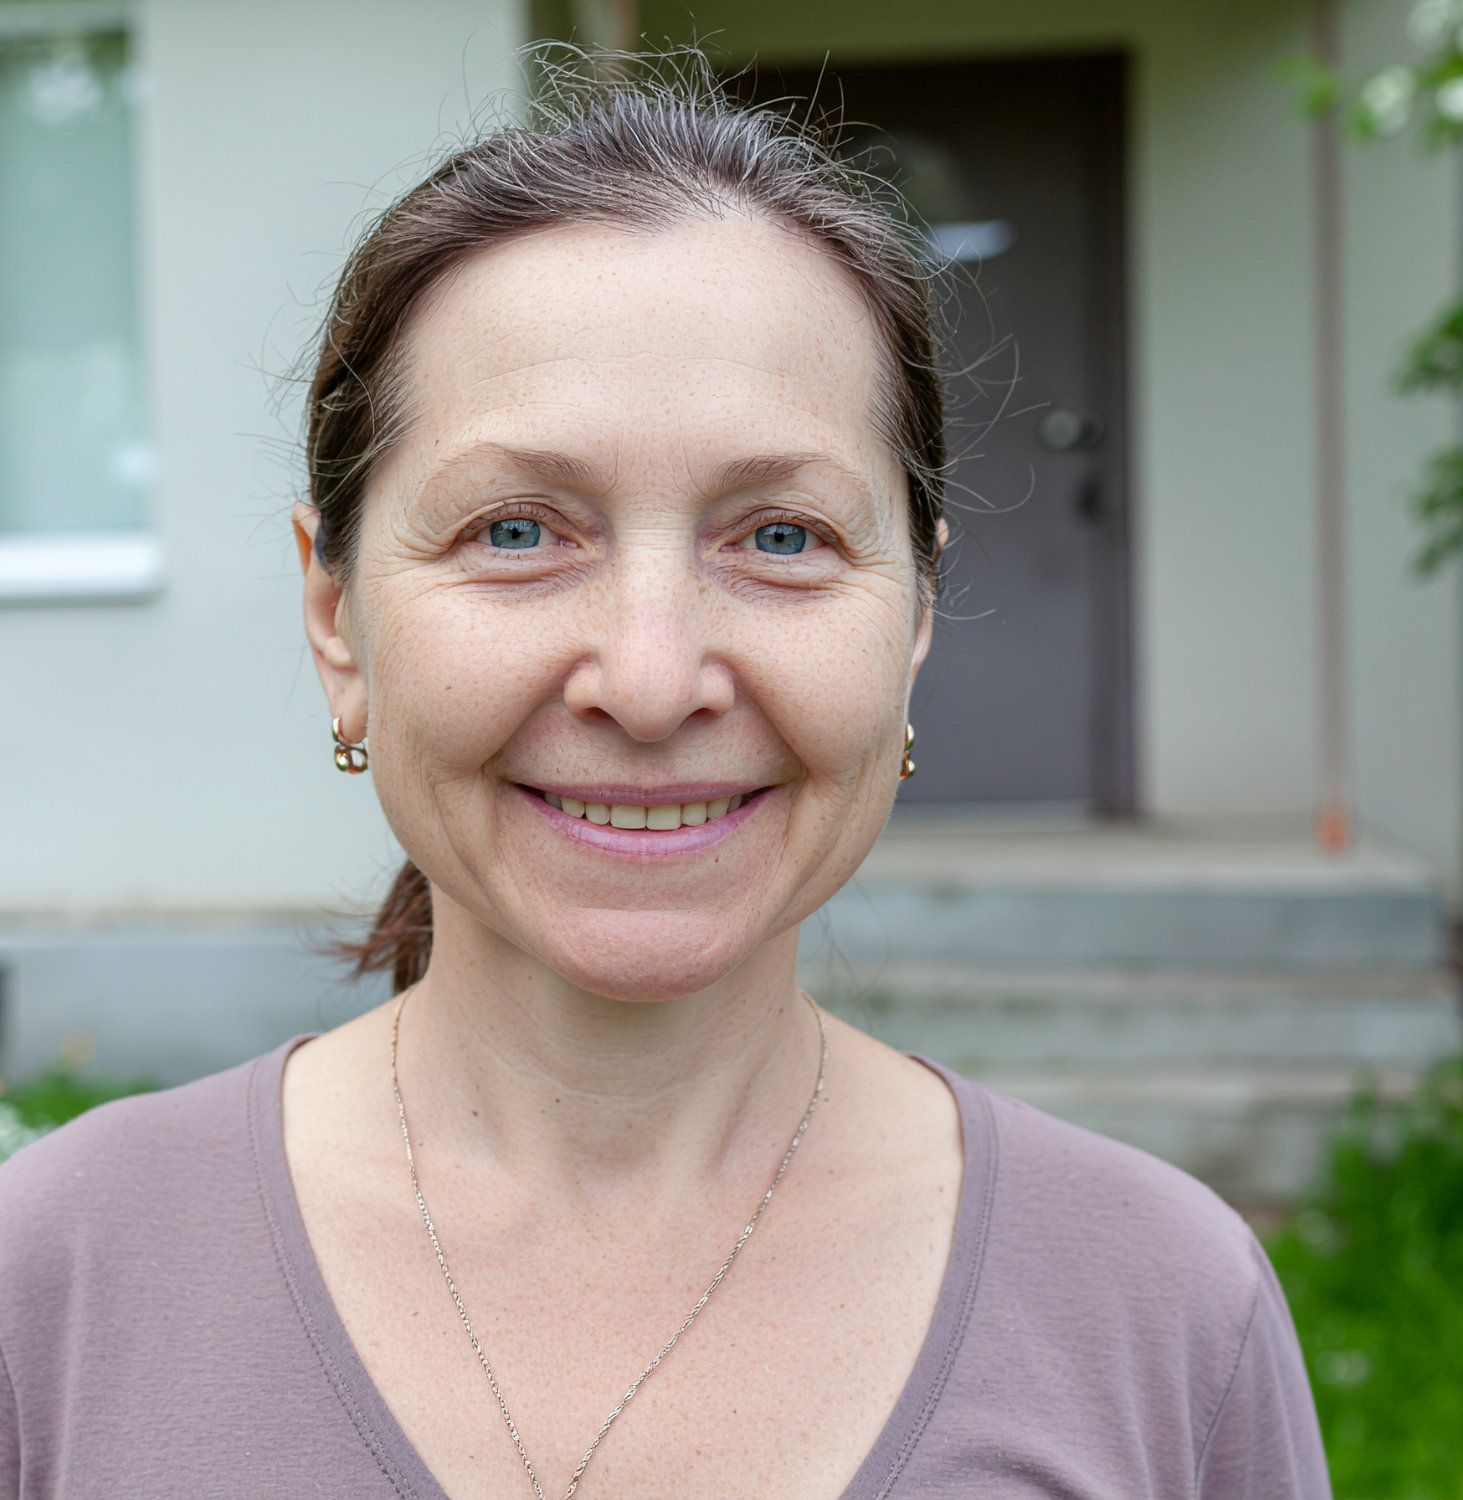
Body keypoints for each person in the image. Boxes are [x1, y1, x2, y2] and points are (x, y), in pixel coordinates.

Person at [0, 45, 1332, 1500]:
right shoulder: (54, 1280)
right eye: (517, 531)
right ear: (337, 615)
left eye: (779, 538)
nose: (648, 681)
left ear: (918, 618)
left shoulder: (1162, 1314)